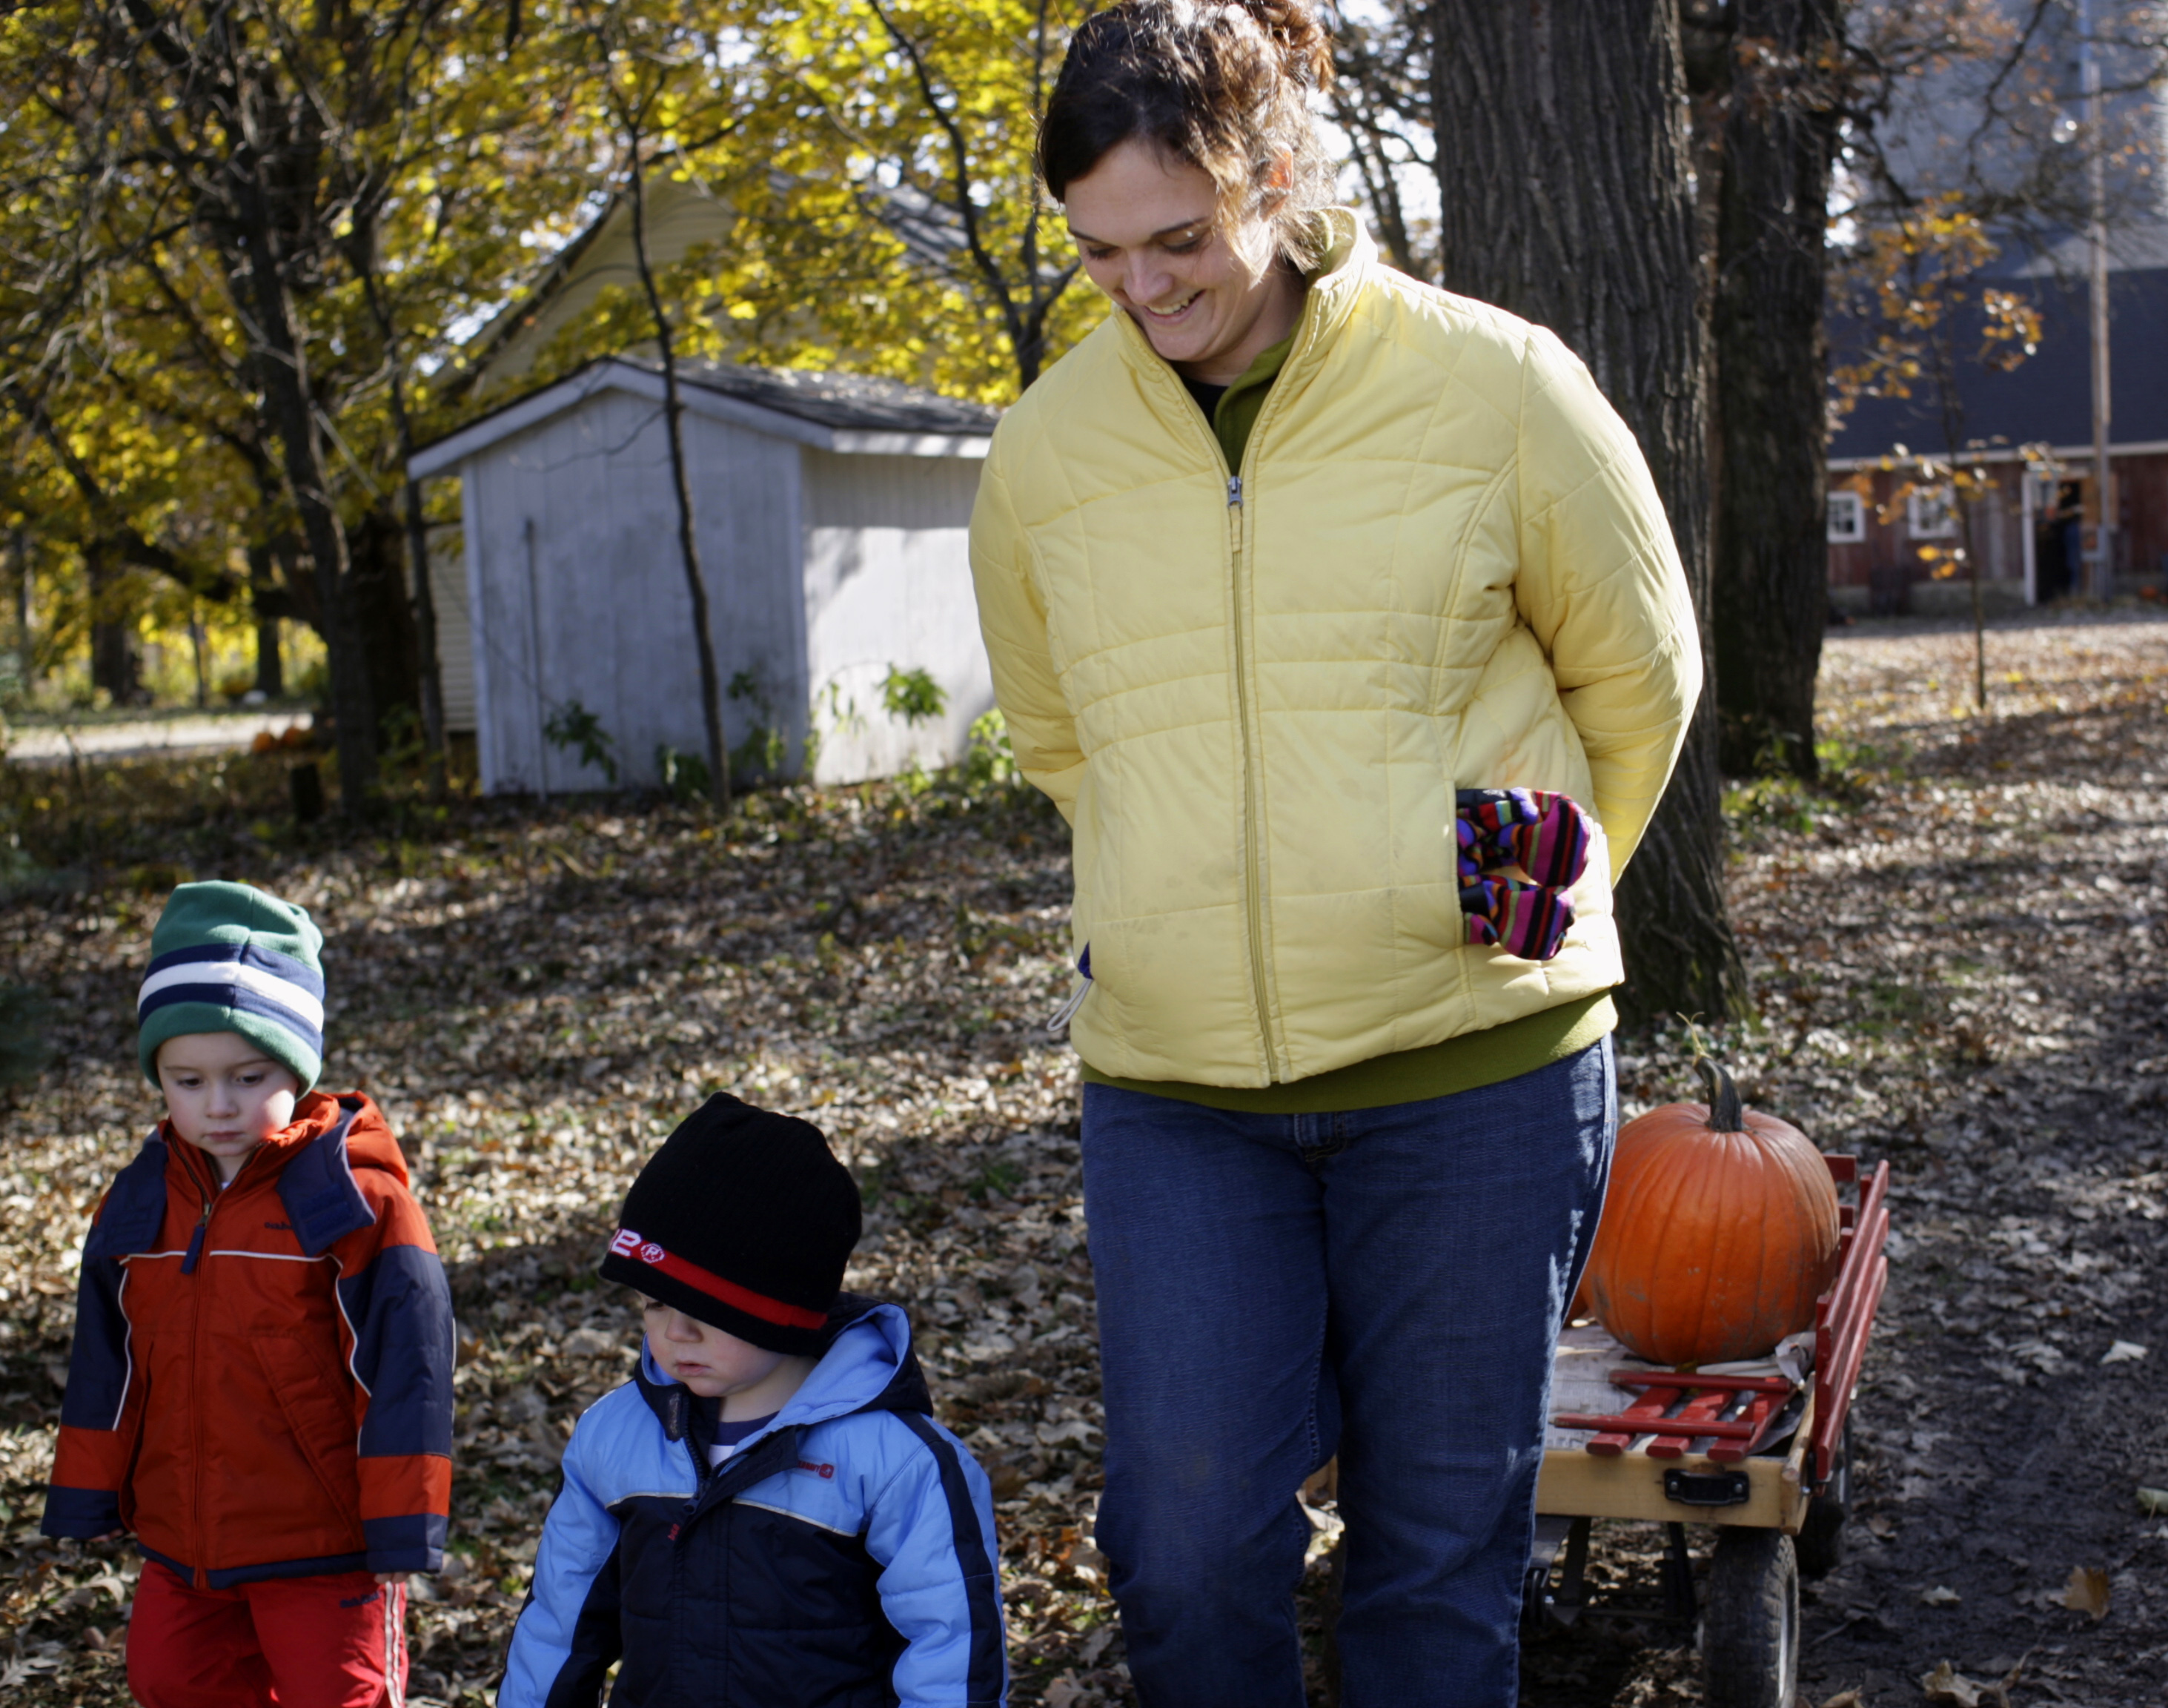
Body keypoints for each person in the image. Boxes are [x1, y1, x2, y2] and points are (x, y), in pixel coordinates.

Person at [966, 4, 1703, 1702]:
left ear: (1277, 179)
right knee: (1187, 1543)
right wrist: (1182, 903)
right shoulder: (1044, 453)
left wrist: (1505, 911)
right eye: (1098, 254)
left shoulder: (1494, 384)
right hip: (1180, 1095)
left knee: (1437, 1567)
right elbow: (1063, 738)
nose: (1144, 291)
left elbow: (1637, 686)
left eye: (1180, 240)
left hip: (1478, 1080)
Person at [43, 880, 456, 1707]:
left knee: (336, 1697)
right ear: (157, 1073)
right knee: (168, 1679)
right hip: (182, 1543)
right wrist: (86, 1492)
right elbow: (106, 1358)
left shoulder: (354, 1201)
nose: (219, 1105)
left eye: (248, 1075)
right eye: (187, 1080)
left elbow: (406, 1367)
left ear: (297, 1068)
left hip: (324, 1546)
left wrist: (403, 1521)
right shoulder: (139, 1200)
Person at [499, 1093, 1006, 1708]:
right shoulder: (616, 1437)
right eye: (656, 1305)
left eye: (707, 1313)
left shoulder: (893, 1460)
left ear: (782, 1315)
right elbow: (559, 1622)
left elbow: (949, 1650)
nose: (675, 1335)